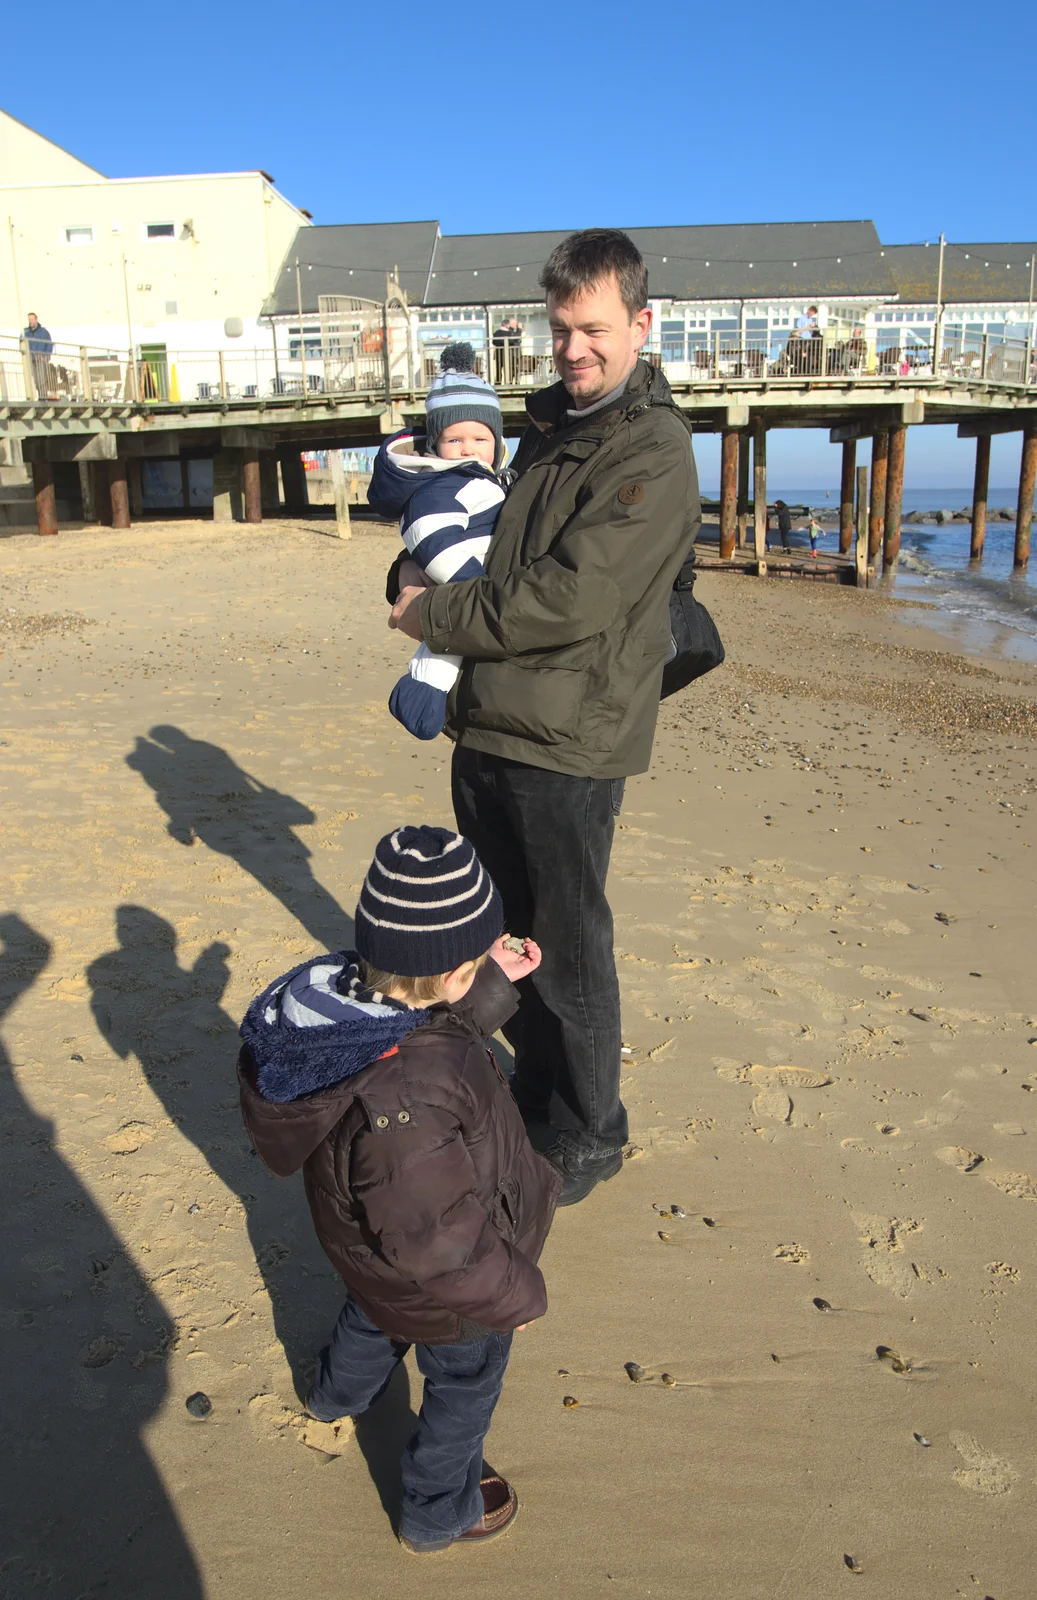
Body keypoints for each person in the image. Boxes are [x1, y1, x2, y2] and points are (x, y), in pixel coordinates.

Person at [388, 229, 701, 1206]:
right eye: (561, 328)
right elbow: (480, 546)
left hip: (570, 740)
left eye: (594, 329)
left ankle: (586, 1134)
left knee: (568, 946)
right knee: (505, 937)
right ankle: (531, 1097)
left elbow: (569, 599)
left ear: (640, 325)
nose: (573, 348)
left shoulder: (650, 445)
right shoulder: (549, 428)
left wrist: (430, 616)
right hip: (490, 723)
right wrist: (413, 578)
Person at [238, 825, 560, 1554]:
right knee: (462, 1389)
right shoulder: (406, 1102)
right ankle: (436, 1511)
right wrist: (510, 1296)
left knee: (376, 1310)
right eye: (473, 960)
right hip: (451, 1284)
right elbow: (439, 1243)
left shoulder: (353, 1012)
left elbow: (427, 1025)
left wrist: (488, 982)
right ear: (450, 972)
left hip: (369, 1256)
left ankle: (334, 1395)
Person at [369, 344, 508, 740]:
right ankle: (421, 694)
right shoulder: (444, 484)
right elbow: (429, 534)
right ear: (435, 445)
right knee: (449, 646)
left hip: (472, 586)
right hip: (466, 582)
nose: (468, 448)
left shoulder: (482, 478)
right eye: (455, 439)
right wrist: (473, 582)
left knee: (451, 649)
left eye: (480, 439)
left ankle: (424, 694)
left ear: (496, 443)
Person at [23, 311, 53, 398]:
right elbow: (22, 343)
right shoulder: (26, 332)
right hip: (31, 358)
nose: (30, 321)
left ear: (36, 320)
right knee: (35, 380)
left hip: (40, 358)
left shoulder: (43, 332)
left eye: (32, 319)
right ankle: (41, 395)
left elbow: (49, 344)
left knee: (41, 379)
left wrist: (46, 356)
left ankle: (43, 397)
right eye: (29, 320)